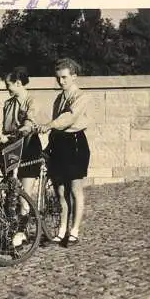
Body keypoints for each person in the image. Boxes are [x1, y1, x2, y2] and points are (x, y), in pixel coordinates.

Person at [35, 58, 90, 246]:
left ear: (74, 77)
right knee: (60, 191)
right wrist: (48, 147)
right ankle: (62, 230)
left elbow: (69, 118)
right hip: (59, 143)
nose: (61, 81)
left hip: (75, 143)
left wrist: (49, 125)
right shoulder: (59, 98)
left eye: (65, 77)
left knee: (75, 189)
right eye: (58, 78)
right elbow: (56, 125)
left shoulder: (81, 97)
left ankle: (74, 231)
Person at [0, 66, 43, 215]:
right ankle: (11, 225)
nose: (6, 88)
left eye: (8, 84)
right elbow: (6, 127)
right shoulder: (7, 104)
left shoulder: (32, 101)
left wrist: (18, 132)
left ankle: (23, 231)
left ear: (17, 83)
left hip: (28, 145)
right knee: (10, 191)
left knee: (24, 193)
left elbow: (29, 124)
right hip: (10, 145)